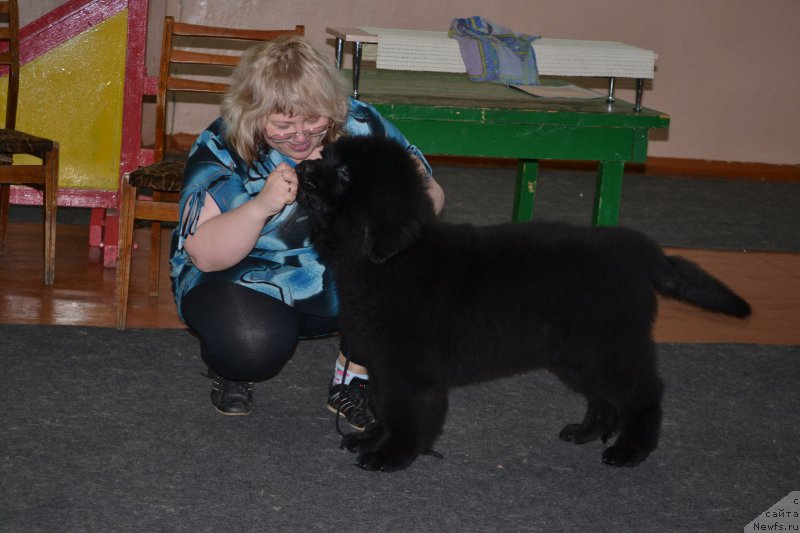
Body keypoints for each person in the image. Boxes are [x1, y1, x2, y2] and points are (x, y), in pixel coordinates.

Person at [169, 36, 445, 428]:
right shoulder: (224, 143)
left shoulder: (360, 124)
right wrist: (261, 206)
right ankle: (231, 368)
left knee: (420, 266)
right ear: (253, 113)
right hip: (245, 278)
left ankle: (354, 374)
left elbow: (432, 195)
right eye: (282, 125)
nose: (300, 136)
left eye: (313, 120)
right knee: (250, 345)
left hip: (342, 277)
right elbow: (205, 255)